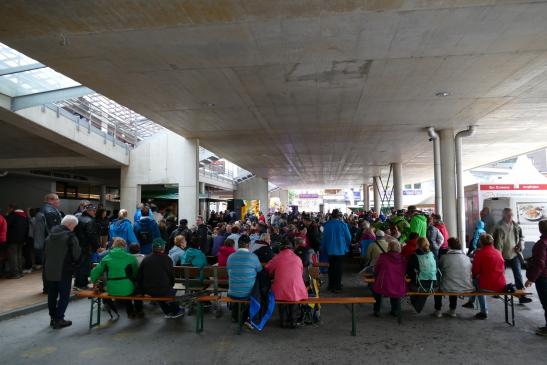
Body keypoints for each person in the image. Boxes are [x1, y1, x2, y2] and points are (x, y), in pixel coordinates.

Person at [44, 215, 81, 329]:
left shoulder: (50, 235)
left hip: (49, 269)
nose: (74, 229)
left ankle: (52, 318)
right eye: (74, 226)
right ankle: (59, 319)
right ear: (70, 225)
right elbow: (76, 254)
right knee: (64, 295)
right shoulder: (70, 237)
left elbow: (44, 252)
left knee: (52, 294)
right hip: (64, 270)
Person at [90, 237, 142, 318]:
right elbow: (136, 274)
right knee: (133, 289)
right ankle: (137, 311)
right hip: (127, 289)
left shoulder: (106, 258)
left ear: (113, 246)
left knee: (125, 288)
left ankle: (130, 311)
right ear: (125, 246)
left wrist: (94, 282)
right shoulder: (131, 258)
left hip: (111, 289)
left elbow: (95, 272)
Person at [136, 239, 184, 318]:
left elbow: (140, 276)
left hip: (149, 290)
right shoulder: (167, 259)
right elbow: (171, 276)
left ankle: (167, 312)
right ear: (162, 248)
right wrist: (171, 285)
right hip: (163, 289)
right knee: (168, 291)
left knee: (160, 292)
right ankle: (176, 311)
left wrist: (141, 290)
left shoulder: (146, 259)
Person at [493, 208, 532, 304]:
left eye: (511, 215)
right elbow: (495, 241)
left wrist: (520, 245)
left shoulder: (516, 226)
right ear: (504, 215)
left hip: (514, 254)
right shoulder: (498, 226)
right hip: (502, 255)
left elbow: (522, 237)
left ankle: (521, 296)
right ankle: (497, 291)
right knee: (500, 274)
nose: (510, 216)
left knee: (518, 275)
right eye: (508, 215)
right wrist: (497, 254)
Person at [266, 241, 308, 328]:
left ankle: (283, 321)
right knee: (294, 299)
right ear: (291, 249)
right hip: (297, 288)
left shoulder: (276, 258)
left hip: (281, 289)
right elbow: (301, 272)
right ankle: (293, 321)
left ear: (280, 249)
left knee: (282, 299)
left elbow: (268, 269)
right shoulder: (297, 258)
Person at [227, 234, 262, 323]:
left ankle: (235, 315)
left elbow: (229, 271)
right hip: (248, 293)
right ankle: (249, 315)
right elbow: (260, 270)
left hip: (232, 291)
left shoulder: (231, 257)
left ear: (238, 244)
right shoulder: (253, 257)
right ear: (249, 244)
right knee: (257, 280)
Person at [436, 237, 474, 318]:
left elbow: (439, 269)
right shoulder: (466, 258)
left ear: (449, 246)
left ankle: (438, 310)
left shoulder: (444, 257)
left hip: (448, 287)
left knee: (439, 287)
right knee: (453, 283)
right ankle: (452, 310)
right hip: (466, 287)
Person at [471, 234, 506, 319]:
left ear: (481, 243)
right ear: (492, 242)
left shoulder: (479, 254)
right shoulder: (498, 252)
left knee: (476, 283)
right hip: (501, 285)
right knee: (479, 282)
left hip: (486, 286)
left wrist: (474, 276)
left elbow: (475, 271)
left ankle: (483, 311)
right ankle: (471, 302)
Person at [34, 193, 64, 293]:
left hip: (44, 244)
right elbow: (55, 231)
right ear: (51, 200)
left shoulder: (42, 210)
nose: (59, 201)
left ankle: (47, 288)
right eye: (58, 199)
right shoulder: (50, 211)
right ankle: (50, 288)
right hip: (51, 245)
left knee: (47, 266)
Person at [371, 240, 407, 317]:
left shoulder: (383, 257)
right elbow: (404, 270)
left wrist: (375, 275)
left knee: (376, 290)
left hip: (384, 282)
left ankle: (377, 310)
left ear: (389, 247)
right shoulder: (402, 258)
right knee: (396, 291)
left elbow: (377, 268)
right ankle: (395, 310)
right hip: (398, 282)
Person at [525, 219, 547, 337]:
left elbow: (540, 263)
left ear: (540, 229)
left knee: (546, 303)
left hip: (543, 277)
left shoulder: (541, 244)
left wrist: (531, 279)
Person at [320, 209, 351, 293]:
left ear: (331, 216)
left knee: (331, 267)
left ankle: (330, 285)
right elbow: (349, 238)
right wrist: (346, 245)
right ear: (339, 216)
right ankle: (337, 286)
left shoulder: (327, 225)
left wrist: (323, 248)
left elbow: (324, 238)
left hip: (329, 250)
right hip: (340, 250)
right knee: (339, 268)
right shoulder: (343, 225)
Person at [406, 237, 437, 313]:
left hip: (419, 285)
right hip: (433, 285)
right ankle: (417, 305)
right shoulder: (433, 254)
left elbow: (409, 270)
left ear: (417, 244)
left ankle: (416, 305)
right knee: (422, 289)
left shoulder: (414, 255)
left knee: (410, 285)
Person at [74, 204, 100, 289]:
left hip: (77, 245)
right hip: (86, 246)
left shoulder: (78, 218)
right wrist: (97, 246)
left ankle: (79, 282)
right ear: (89, 211)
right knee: (84, 265)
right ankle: (81, 284)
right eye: (94, 211)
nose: (95, 213)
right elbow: (92, 235)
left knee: (79, 265)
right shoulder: (90, 221)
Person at [5, 205, 29, 279]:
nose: (7, 210)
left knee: (13, 256)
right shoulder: (24, 216)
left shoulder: (12, 216)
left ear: (12, 209)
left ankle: (15, 273)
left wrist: (7, 216)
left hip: (12, 239)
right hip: (21, 239)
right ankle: (20, 272)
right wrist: (25, 239)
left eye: (8, 208)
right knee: (19, 256)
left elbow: (6, 225)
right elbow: (27, 228)